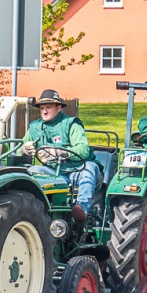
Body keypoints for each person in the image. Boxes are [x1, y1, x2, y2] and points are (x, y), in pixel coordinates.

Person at [21, 89, 99, 223]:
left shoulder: (71, 124)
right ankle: (35, 211)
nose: (44, 111)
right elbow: (19, 150)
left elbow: (83, 149)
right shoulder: (34, 128)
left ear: (59, 108)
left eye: (48, 108)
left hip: (77, 169)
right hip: (51, 171)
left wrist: (61, 152)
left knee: (90, 169)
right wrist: (24, 149)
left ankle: (81, 209)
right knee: (32, 171)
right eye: (42, 108)